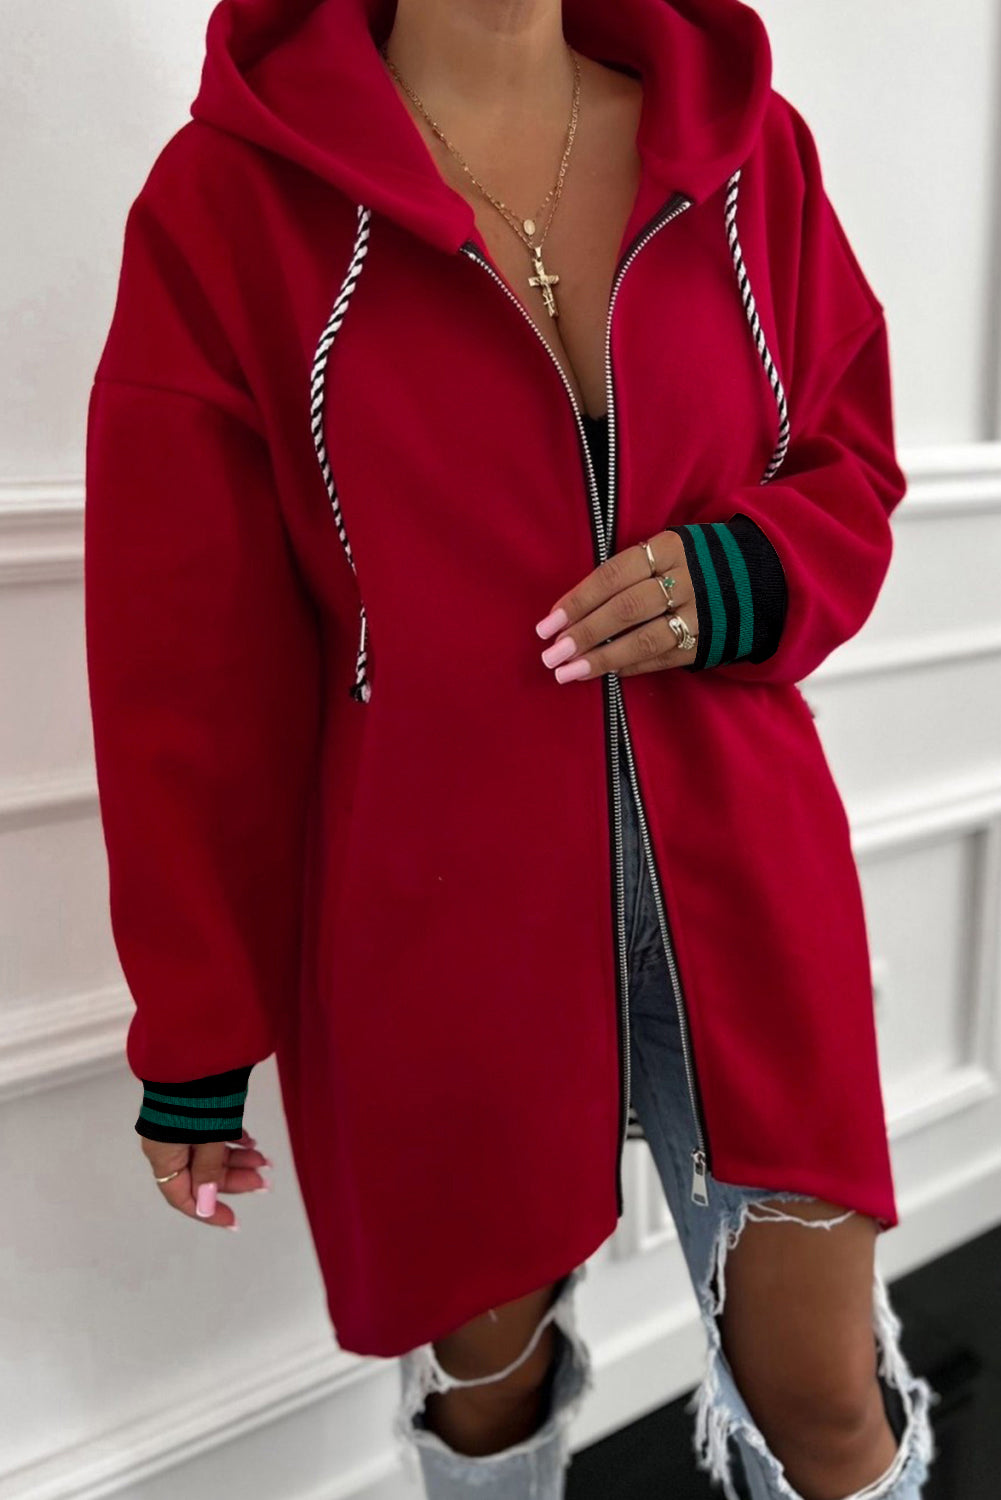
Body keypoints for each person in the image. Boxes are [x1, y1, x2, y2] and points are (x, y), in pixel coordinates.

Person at [83, 0, 939, 1495]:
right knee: (490, 1397)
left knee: (822, 1403)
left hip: (744, 864)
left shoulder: (748, 152)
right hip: (433, 909)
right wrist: (199, 1030)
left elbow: (848, 460)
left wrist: (751, 571)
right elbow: (188, 660)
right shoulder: (231, 195)